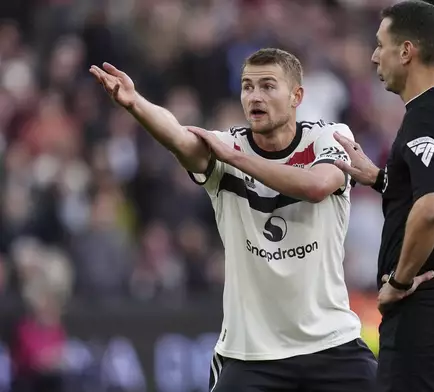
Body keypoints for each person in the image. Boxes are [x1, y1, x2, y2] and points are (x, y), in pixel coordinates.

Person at [89, 48, 379, 391]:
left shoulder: (327, 138)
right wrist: (135, 102)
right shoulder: (228, 147)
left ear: (296, 95)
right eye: (247, 87)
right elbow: (180, 137)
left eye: (268, 86)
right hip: (251, 355)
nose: (254, 96)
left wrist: (238, 159)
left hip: (331, 344)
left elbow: (318, 186)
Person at [333, 2, 434, 392]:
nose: (373, 57)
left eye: (380, 45)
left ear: (406, 51)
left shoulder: (423, 117)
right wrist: (382, 179)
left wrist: (400, 283)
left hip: (424, 313)